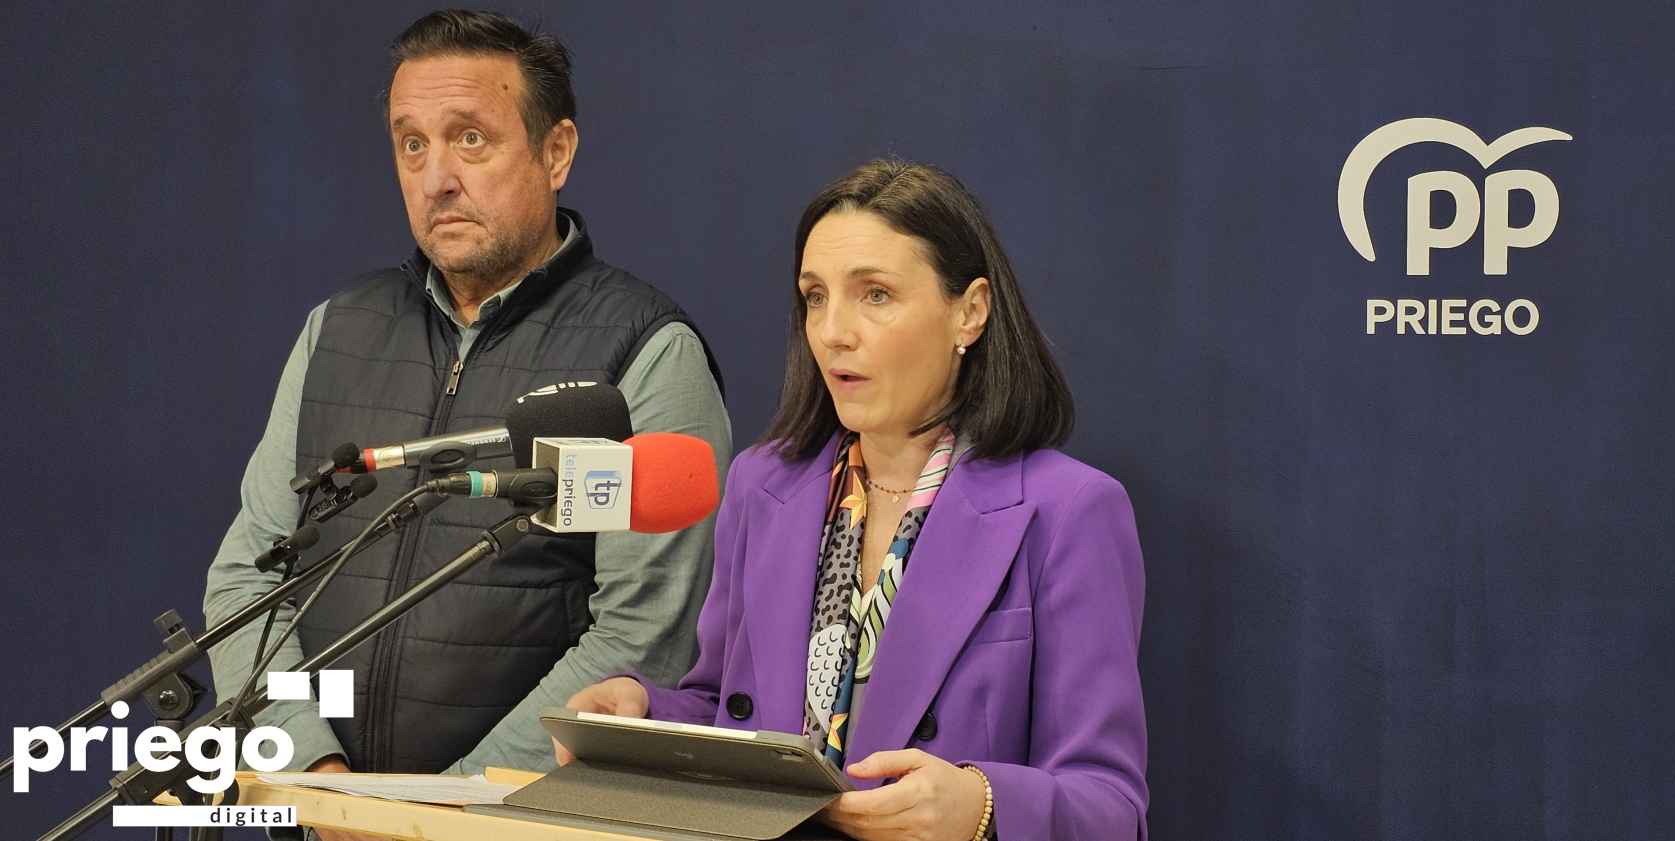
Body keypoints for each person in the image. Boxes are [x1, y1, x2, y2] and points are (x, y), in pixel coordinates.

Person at [198, 9, 731, 835]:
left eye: (470, 139)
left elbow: (644, 635)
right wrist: (315, 770)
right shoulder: (337, 329)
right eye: (412, 143)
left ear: (557, 152)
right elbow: (249, 580)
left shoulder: (646, 353)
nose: (436, 175)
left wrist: (434, 812)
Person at [562, 159, 1149, 841]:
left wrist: (981, 803)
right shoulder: (762, 484)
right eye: (815, 296)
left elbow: (1112, 806)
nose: (834, 330)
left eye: (874, 294)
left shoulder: (1069, 510)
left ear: (971, 312)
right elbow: (728, 710)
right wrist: (641, 714)